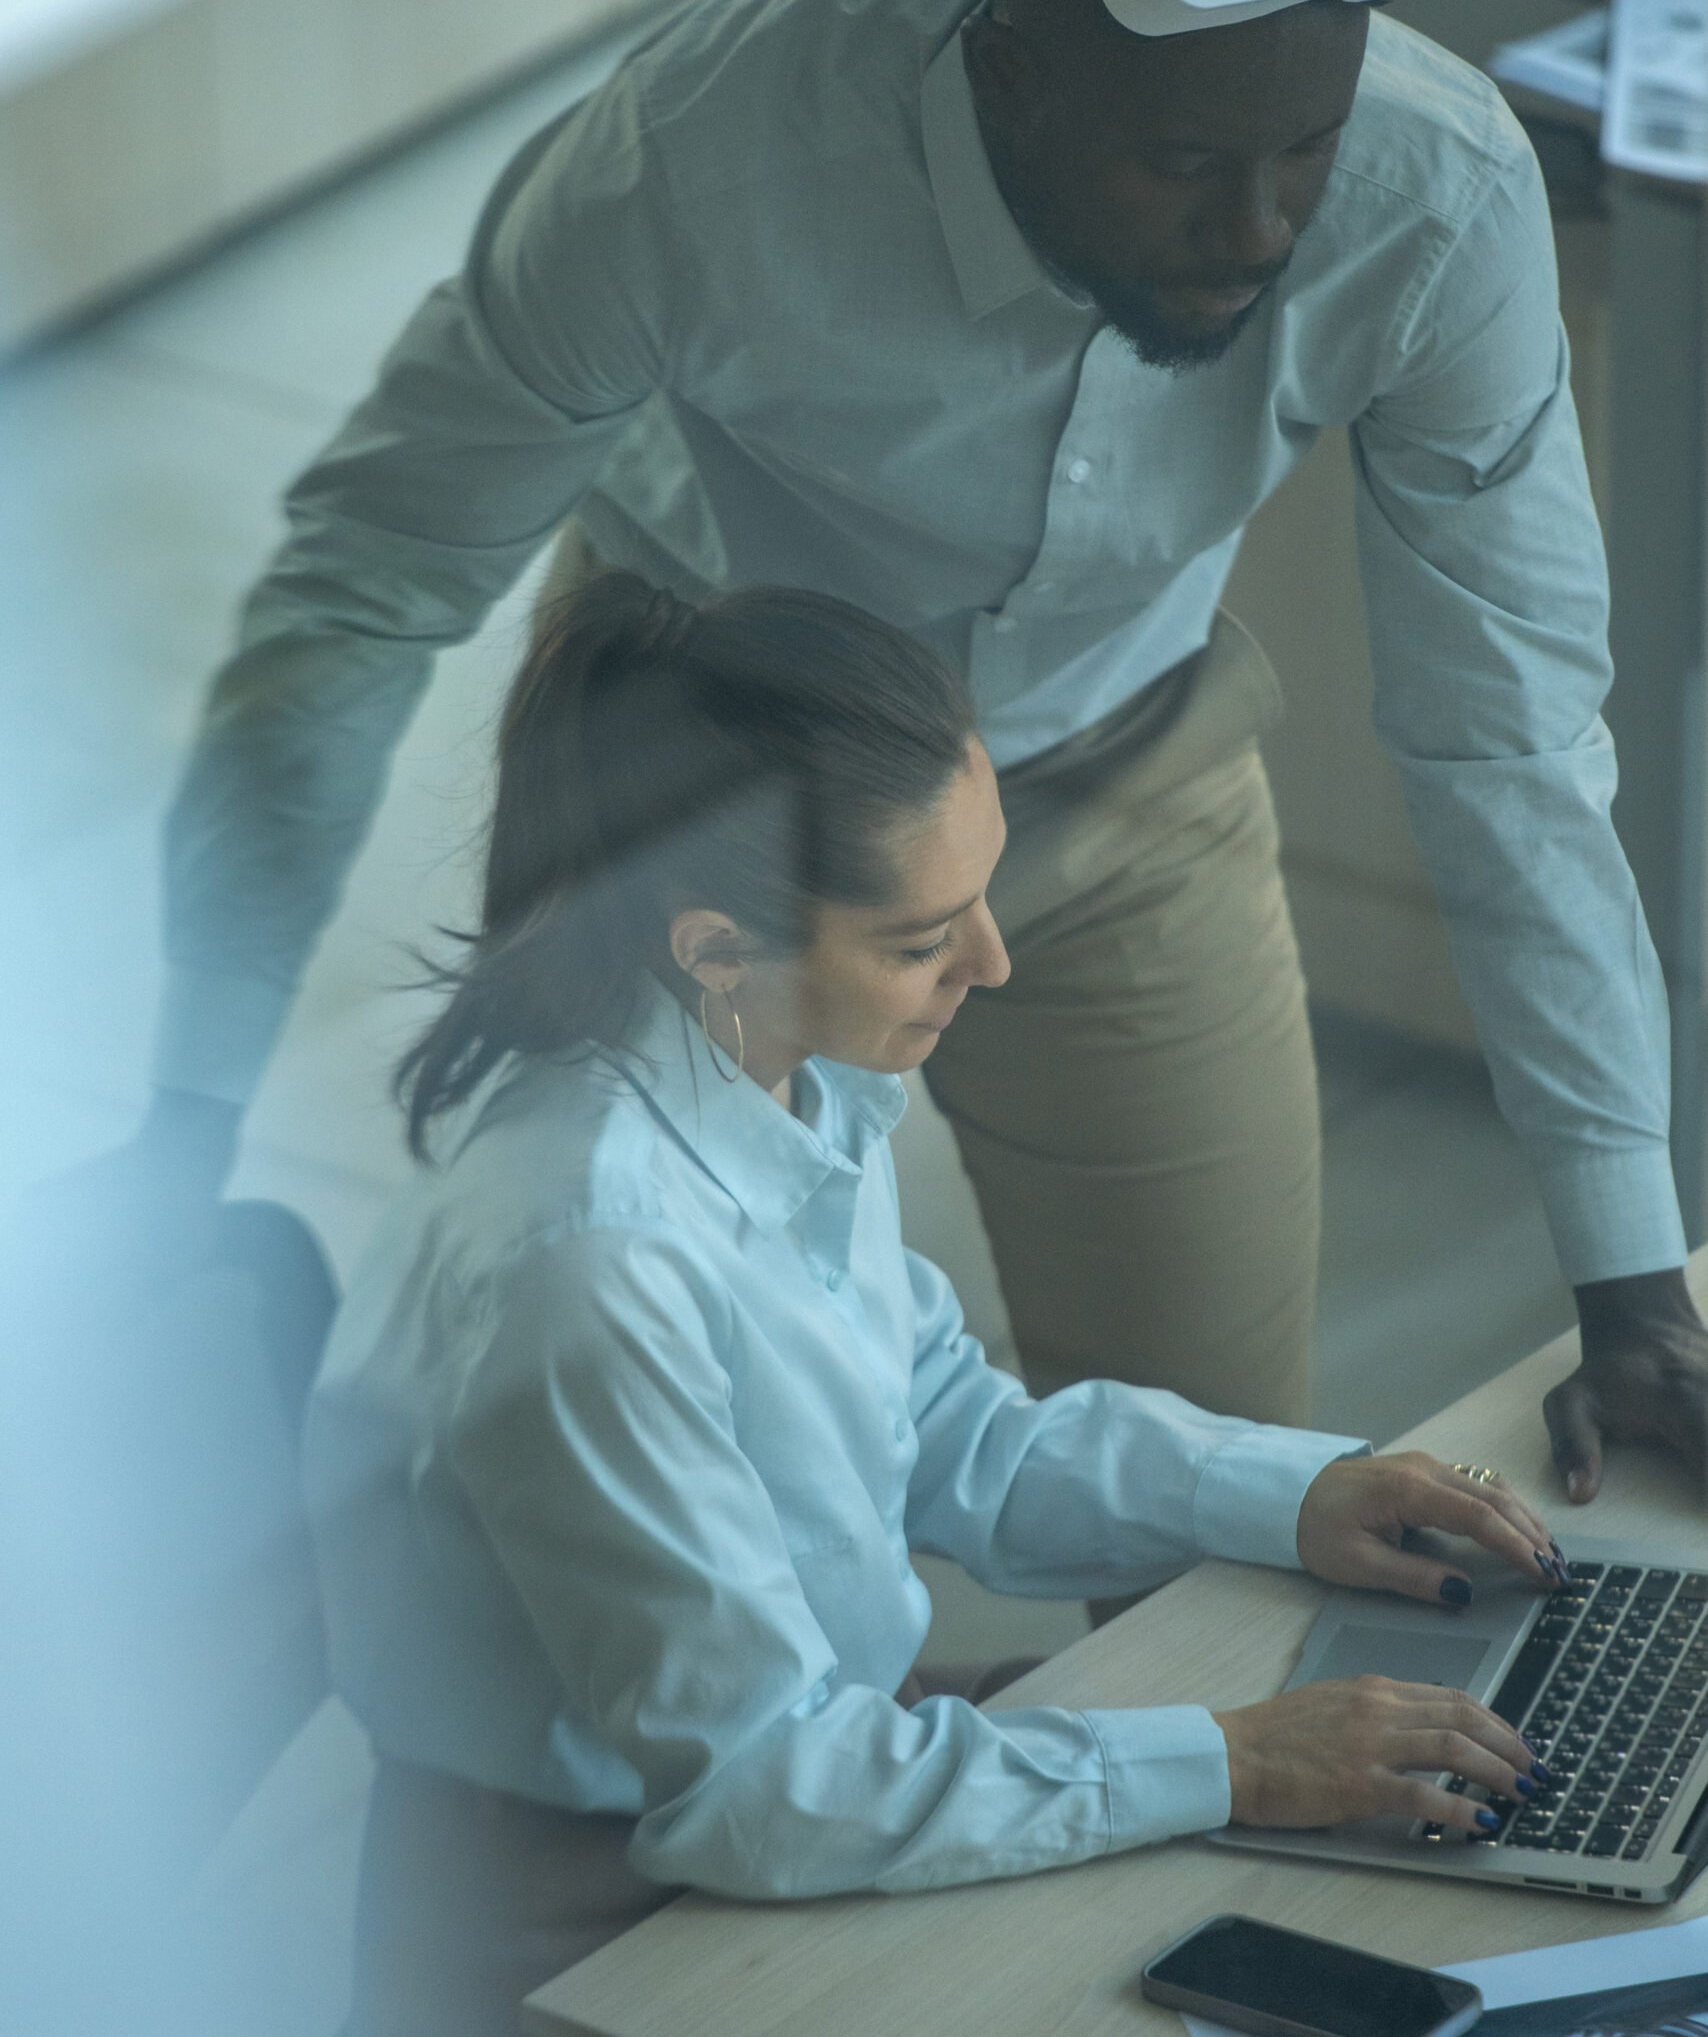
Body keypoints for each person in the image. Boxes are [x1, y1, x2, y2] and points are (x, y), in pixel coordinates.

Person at [116, 0, 1705, 1507]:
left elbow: (1506, 734)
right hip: (696, 806)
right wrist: (187, 1110)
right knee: (676, 1488)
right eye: (1185, 165)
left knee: (1227, 1485)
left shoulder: (1433, 195)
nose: (1259, 229)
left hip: (1119, 777)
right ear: (1006, 67)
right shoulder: (701, 151)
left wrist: (1630, 1275)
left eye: (1303, 151)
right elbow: (372, 580)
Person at [306, 575, 1561, 2037]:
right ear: (715, 947)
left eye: (983, 897)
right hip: (608, 1892)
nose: (994, 963)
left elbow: (951, 1434)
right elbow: (758, 1792)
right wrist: (1235, 1760)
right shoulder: (591, 1262)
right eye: (922, 939)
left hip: (817, 1753)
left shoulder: (785, 1060)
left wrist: (1303, 1492)